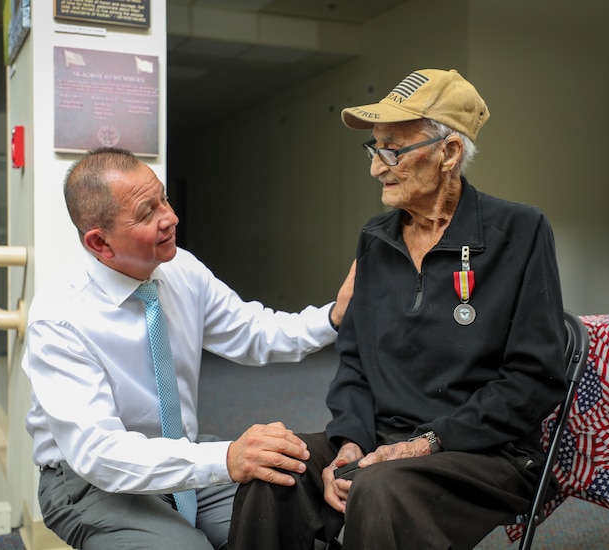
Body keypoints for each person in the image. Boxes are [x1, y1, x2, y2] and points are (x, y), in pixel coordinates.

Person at [228, 68, 568, 550]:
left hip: (484, 448)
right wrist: (348, 440)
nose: (376, 167)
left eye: (394, 150)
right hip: (379, 438)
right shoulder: (377, 237)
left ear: (449, 153)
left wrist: (427, 442)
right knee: (274, 473)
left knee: (380, 488)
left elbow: (534, 376)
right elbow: (354, 361)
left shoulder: (520, 231)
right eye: (374, 149)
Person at [22, 147, 355, 550]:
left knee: (287, 528)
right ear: (100, 243)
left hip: (182, 453)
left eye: (164, 198)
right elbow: (99, 454)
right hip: (90, 479)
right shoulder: (59, 319)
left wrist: (333, 317)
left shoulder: (181, 269)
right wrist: (225, 459)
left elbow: (254, 331)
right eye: (147, 213)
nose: (171, 217)